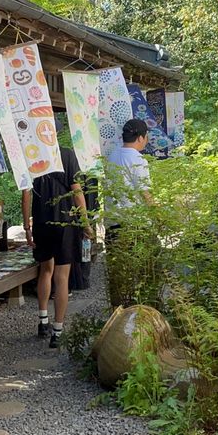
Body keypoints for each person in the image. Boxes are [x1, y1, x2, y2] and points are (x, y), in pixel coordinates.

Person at [22, 146, 92, 347]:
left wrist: (27, 227)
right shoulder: (67, 154)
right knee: (62, 276)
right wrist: (85, 223)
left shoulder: (31, 153)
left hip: (42, 222)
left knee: (45, 270)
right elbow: (77, 191)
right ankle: (57, 332)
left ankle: (42, 321)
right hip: (65, 222)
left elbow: (25, 194)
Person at [104, 118, 153, 306]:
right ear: (141, 137)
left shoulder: (111, 156)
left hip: (112, 222)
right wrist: (158, 215)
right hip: (133, 225)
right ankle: (136, 313)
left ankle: (117, 313)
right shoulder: (137, 159)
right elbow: (145, 192)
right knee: (139, 272)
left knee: (117, 274)